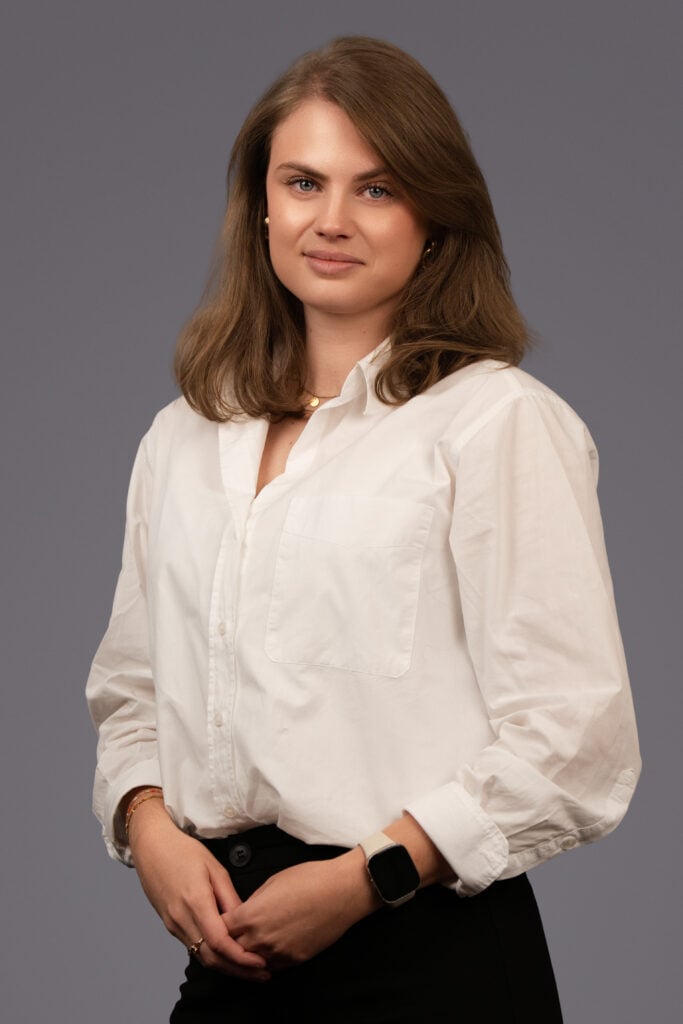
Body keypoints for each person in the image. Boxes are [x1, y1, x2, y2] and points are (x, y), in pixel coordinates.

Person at [86, 35, 641, 1023]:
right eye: (303, 182)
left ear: (434, 216)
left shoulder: (495, 422)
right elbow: (133, 688)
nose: (331, 219)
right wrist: (149, 826)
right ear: (261, 205)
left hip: (429, 951)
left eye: (376, 189)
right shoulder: (183, 438)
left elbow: (574, 738)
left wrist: (367, 876)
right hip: (235, 948)